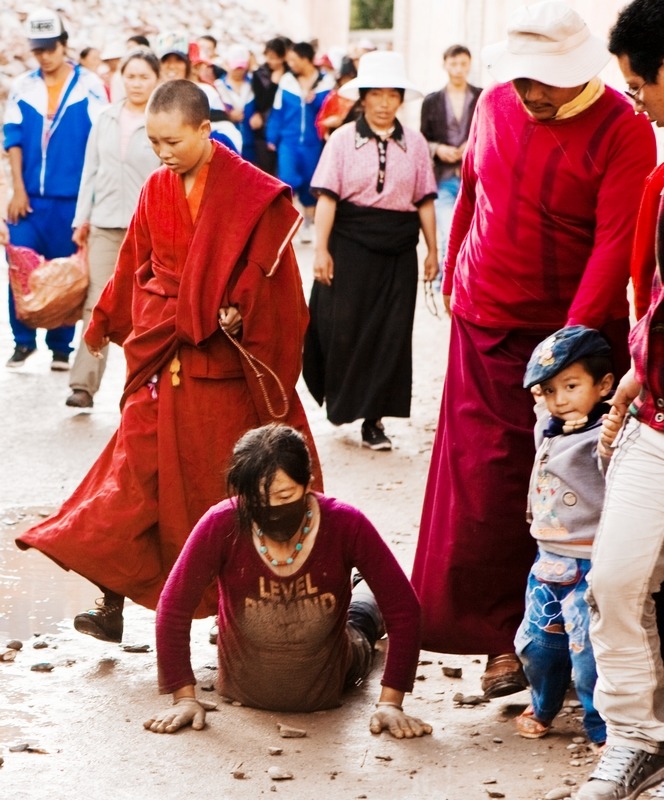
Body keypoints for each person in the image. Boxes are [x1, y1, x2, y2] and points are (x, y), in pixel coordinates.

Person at [410, 0, 656, 699]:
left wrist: (570, 349)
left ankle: (564, 642)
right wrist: (454, 273)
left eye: (541, 81)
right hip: (483, 324)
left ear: (578, 71)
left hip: (570, 343)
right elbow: (474, 193)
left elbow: (614, 244)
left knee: (566, 491)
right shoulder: (494, 105)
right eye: (520, 78)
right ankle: (499, 642)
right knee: (483, 487)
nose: (529, 93)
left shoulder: (624, 128)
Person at [16, 80, 320, 645]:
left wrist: (241, 309)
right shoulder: (156, 188)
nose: (163, 154)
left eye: (173, 142)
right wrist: (105, 320)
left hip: (221, 372)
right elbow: (136, 261)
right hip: (164, 358)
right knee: (131, 481)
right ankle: (110, 600)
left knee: (224, 493)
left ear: (206, 130)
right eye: (154, 143)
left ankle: (237, 608)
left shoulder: (252, 192)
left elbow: (272, 277)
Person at [144, 424, 432, 740]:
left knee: (362, 619)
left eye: (285, 495)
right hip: (244, 682)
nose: (271, 508)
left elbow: (404, 609)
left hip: (341, 662)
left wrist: (391, 703)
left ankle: (362, 588)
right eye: (257, 498)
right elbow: (173, 608)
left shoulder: (346, 523)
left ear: (308, 483)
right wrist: (183, 698)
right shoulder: (221, 523)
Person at [575, 2, 664, 797]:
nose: (637, 103)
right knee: (613, 579)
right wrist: (638, 375)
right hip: (656, 420)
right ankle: (636, 737)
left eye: (640, 86)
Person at [302, 50, 438, 451]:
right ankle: (343, 401)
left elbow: (424, 201)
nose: (383, 103)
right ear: (362, 98)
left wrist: (432, 251)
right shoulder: (343, 140)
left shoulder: (415, 143)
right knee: (342, 328)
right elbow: (327, 198)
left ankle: (374, 420)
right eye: (375, 94)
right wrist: (321, 250)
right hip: (349, 248)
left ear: (400, 100)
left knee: (390, 335)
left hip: (398, 251)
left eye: (392, 95)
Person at [514, 326, 613, 747]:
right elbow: (543, 411)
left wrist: (614, 432)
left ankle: (600, 724)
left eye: (572, 387)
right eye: (550, 390)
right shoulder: (551, 426)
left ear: (603, 385)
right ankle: (543, 704)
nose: (560, 399)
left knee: (587, 650)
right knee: (538, 644)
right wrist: (543, 402)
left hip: (591, 561)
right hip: (547, 559)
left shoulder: (606, 433)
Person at [4, 7, 107, 370]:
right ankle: (23, 341)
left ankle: (60, 346)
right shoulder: (23, 86)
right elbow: (12, 140)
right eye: (38, 50)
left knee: (66, 272)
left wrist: (92, 202)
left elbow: (101, 142)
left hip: (72, 199)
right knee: (19, 264)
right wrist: (17, 189)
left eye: (50, 48)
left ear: (64, 45)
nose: (45, 56)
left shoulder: (90, 86)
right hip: (29, 198)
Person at [66, 49, 162, 409]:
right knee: (97, 305)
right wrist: (81, 219)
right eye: (130, 76)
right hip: (104, 225)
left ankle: (144, 391)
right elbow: (90, 171)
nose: (136, 83)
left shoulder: (162, 121)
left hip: (147, 228)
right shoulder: (105, 118)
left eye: (144, 77)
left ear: (157, 80)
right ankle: (83, 385)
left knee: (148, 310)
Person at [420, 45, 481, 284]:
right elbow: (422, 139)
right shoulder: (432, 101)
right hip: (443, 178)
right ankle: (445, 284)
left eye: (463, 64)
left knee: (475, 235)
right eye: (453, 64)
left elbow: (490, 130)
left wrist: (472, 143)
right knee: (448, 233)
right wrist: (438, 149)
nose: (458, 69)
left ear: (470, 65)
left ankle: (468, 282)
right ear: (444, 64)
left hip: (474, 178)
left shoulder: (481, 96)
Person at [266, 41, 333, 243]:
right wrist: (272, 136)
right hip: (288, 141)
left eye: (294, 60)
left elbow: (332, 111)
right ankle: (288, 225)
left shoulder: (326, 82)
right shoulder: (287, 81)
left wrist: (316, 101)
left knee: (311, 184)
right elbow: (277, 111)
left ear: (306, 60)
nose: (291, 64)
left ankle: (308, 224)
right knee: (287, 180)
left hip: (313, 143)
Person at [246, 36, 288, 174]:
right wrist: (274, 84)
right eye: (269, 57)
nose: (272, 61)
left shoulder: (290, 73)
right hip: (264, 128)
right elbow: (262, 104)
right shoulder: (259, 74)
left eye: (275, 58)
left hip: (286, 126)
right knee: (267, 170)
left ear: (283, 57)